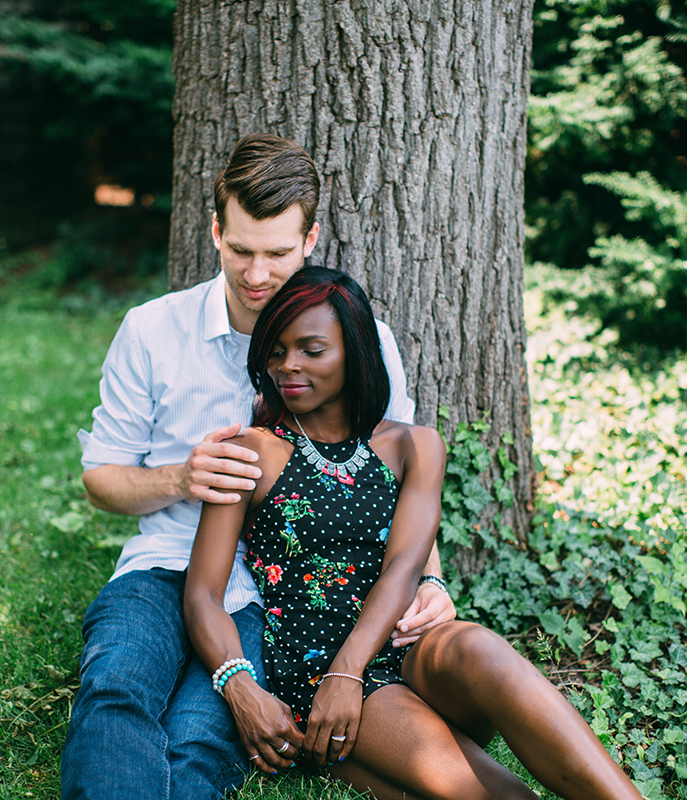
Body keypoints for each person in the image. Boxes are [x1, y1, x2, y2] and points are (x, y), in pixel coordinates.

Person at [62, 134, 456, 800]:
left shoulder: (362, 341)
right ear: (215, 232)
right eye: (240, 250)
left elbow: (393, 484)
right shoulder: (152, 331)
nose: (255, 274)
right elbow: (100, 476)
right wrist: (179, 480)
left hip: (273, 598)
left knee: (201, 736)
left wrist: (433, 579)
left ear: (310, 241)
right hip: (164, 566)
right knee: (116, 686)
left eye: (276, 253)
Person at [185, 267, 644, 800]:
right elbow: (202, 595)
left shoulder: (414, 446)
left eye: (312, 350)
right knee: (504, 796)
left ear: (354, 351)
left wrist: (352, 668)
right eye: (277, 349)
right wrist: (241, 687)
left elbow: (407, 564)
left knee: (482, 648)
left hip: (403, 646)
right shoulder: (251, 452)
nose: (288, 366)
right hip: (318, 670)